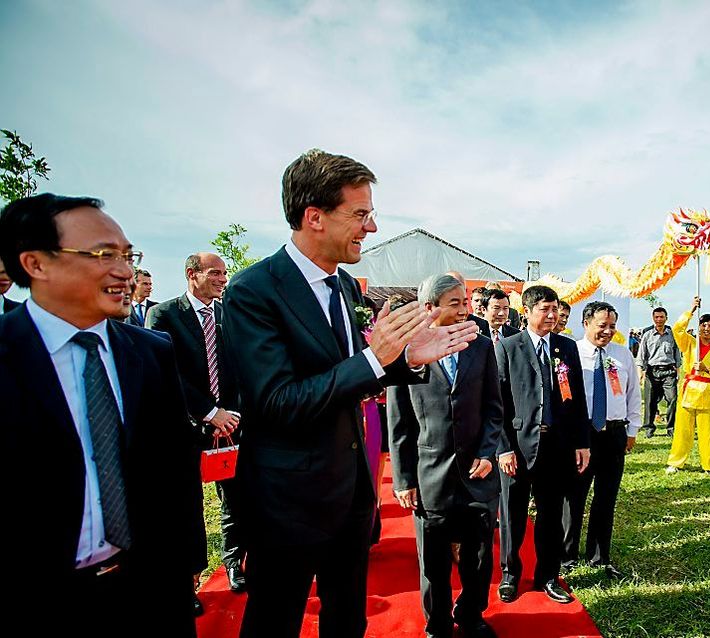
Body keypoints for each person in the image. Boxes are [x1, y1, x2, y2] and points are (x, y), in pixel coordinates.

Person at [221, 149, 478, 638]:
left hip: (352, 490)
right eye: (360, 214)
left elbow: (356, 376)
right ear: (314, 217)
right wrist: (375, 359)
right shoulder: (253, 290)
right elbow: (277, 402)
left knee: (347, 622)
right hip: (287, 499)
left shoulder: (345, 286)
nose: (372, 228)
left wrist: (406, 362)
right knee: (274, 622)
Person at [0, 193, 206, 637]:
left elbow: (176, 464)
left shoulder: (150, 352)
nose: (125, 271)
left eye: (128, 255)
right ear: (35, 264)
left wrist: (188, 560)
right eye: (103, 255)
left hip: (151, 588)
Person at [388, 274, 503, 638]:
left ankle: (471, 615)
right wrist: (404, 479)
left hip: (477, 475)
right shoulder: (407, 352)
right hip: (429, 475)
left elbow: (493, 409)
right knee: (434, 562)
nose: (463, 310)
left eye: (465, 303)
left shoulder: (481, 347)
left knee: (479, 558)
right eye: (454, 304)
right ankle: (437, 623)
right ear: (429, 308)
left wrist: (487, 453)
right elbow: (399, 423)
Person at [146, 252, 247, 600]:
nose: (222, 279)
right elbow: (165, 371)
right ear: (192, 275)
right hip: (185, 426)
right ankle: (189, 578)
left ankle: (234, 561)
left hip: (230, 425)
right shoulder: (163, 315)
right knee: (187, 507)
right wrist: (208, 411)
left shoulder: (228, 315)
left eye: (224, 273)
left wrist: (230, 415)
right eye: (214, 273)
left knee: (236, 499)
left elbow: (238, 368)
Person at [494, 285, 590, 604]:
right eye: (544, 310)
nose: (552, 316)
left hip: (557, 445)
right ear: (527, 311)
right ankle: (510, 574)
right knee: (513, 513)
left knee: (550, 514)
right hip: (518, 447)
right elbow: (498, 404)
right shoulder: (508, 347)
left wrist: (581, 442)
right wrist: (503, 447)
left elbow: (576, 400)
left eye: (555, 309)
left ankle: (548, 576)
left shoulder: (566, 347)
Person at [562, 301, 640, 579]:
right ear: (586, 324)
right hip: (582, 435)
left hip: (614, 433)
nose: (607, 331)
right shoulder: (571, 352)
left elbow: (633, 394)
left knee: (606, 496)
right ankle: (566, 555)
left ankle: (599, 556)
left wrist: (632, 430)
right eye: (602, 326)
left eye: (612, 326)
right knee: (574, 495)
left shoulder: (622, 354)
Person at [665, 296, 710, 478]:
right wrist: (692, 310)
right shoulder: (690, 343)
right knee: (683, 430)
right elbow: (677, 329)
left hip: (708, 393)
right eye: (703, 325)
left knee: (708, 433)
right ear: (699, 326)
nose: (707, 329)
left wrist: (708, 369)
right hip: (689, 391)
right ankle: (675, 462)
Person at [636, 306, 680, 438]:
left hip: (668, 372)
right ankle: (649, 427)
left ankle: (671, 427)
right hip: (652, 372)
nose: (659, 319)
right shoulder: (647, 335)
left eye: (661, 317)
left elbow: (677, 354)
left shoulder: (673, 335)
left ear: (666, 318)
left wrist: (679, 372)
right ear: (653, 318)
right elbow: (641, 356)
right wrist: (640, 374)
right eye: (656, 317)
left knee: (672, 399)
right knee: (650, 401)